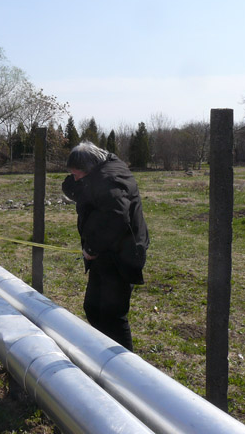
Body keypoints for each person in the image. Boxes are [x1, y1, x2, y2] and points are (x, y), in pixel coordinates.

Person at [62, 141, 149, 352]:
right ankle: (103, 355)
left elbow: (116, 219)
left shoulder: (110, 181)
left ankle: (125, 365)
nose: (74, 179)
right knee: (93, 309)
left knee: (113, 316)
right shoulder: (99, 173)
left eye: (77, 174)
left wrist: (92, 249)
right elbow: (85, 193)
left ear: (89, 168)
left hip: (121, 256)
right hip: (107, 254)